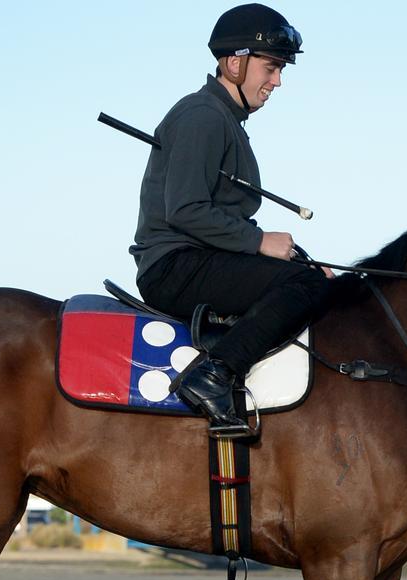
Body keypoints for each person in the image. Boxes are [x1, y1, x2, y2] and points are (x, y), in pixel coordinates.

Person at [129, 4, 330, 437]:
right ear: (235, 62)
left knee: (310, 277)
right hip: (176, 266)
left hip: (199, 260)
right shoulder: (202, 115)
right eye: (272, 67)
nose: (277, 81)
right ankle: (214, 375)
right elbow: (185, 209)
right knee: (306, 284)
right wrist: (260, 243)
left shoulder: (224, 119)